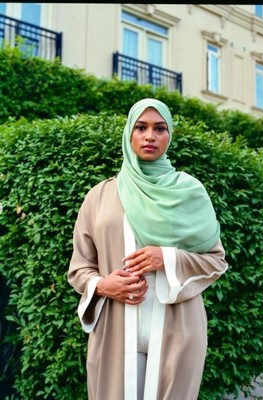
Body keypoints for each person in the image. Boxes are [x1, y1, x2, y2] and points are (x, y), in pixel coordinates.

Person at [67, 98, 228, 400]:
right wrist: (103, 285)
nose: (150, 136)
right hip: (114, 331)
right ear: (129, 133)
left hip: (177, 330)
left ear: (170, 136)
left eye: (160, 128)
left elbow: (215, 260)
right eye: (141, 127)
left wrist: (166, 257)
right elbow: (79, 267)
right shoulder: (100, 195)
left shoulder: (189, 192)